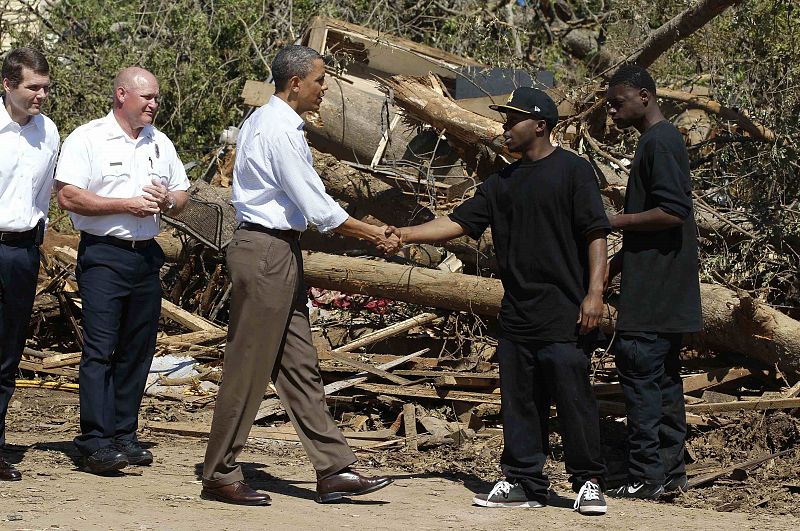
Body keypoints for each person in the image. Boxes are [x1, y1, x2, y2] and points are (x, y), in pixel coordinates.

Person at [386, 88, 609, 515]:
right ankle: (525, 481)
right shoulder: (501, 183)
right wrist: (405, 234)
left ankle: (588, 482)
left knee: (573, 397)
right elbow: (455, 223)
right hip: (519, 312)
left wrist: (594, 293)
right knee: (520, 400)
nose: (505, 127)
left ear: (540, 125)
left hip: (566, 310)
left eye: (513, 120)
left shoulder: (573, 172)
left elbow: (595, 234)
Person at [200, 45, 398, 507]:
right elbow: (316, 207)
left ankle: (334, 469)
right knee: (248, 367)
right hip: (267, 250)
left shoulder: (270, 123)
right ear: (295, 83)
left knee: (299, 366)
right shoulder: (279, 130)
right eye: (319, 79)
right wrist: (372, 234)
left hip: (277, 251)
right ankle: (219, 473)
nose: (324, 87)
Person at [55, 67, 190, 474]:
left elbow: (183, 195)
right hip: (104, 255)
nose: (154, 104)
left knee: (138, 348)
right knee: (100, 349)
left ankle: (123, 434)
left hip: (146, 255)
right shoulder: (88, 137)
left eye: (157, 98)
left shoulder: (159, 143)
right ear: (121, 95)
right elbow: (68, 196)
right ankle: (94, 440)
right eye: (147, 97)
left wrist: (169, 200)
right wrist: (124, 205)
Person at [604, 64, 702, 499]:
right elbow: (661, 226)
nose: (612, 110)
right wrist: (615, 265)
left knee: (642, 382)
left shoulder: (660, 142)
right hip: (665, 293)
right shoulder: (659, 141)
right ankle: (669, 473)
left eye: (617, 101)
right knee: (662, 383)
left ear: (644, 96)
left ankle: (646, 476)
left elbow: (672, 211)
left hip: (652, 297)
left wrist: (612, 220)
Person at [0, 47, 59, 482]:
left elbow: (42, 195)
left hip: (21, 251)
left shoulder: (49, 132)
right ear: (7, 85)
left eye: (45, 87)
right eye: (32, 87)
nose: (40, 95)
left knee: (7, 351)